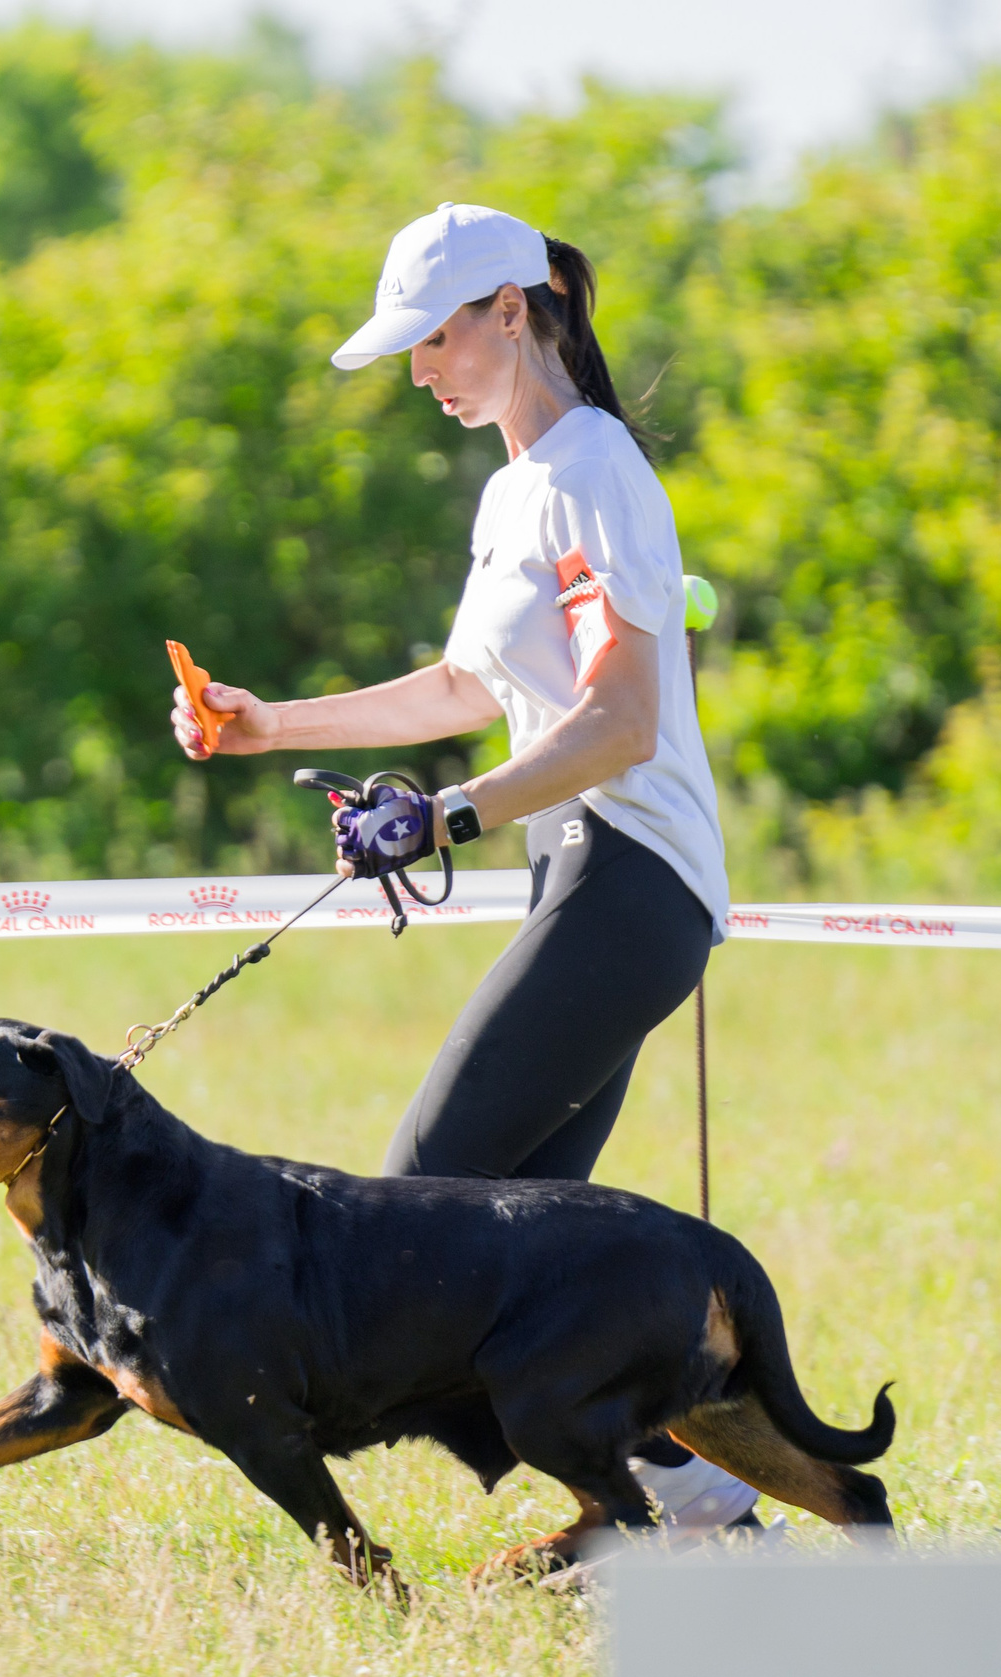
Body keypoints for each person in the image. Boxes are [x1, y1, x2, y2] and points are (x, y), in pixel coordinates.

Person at [168, 202, 761, 1540]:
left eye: (433, 341)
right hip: (585, 877)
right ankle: (681, 1515)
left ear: (516, 310)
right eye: (408, 353)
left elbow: (622, 723)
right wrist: (272, 726)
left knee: (414, 1215)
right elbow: (460, 685)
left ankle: (684, 1501)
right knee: (525, 1257)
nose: (421, 373)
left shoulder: (597, 472)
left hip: (634, 882)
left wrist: (449, 820)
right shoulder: (516, 488)